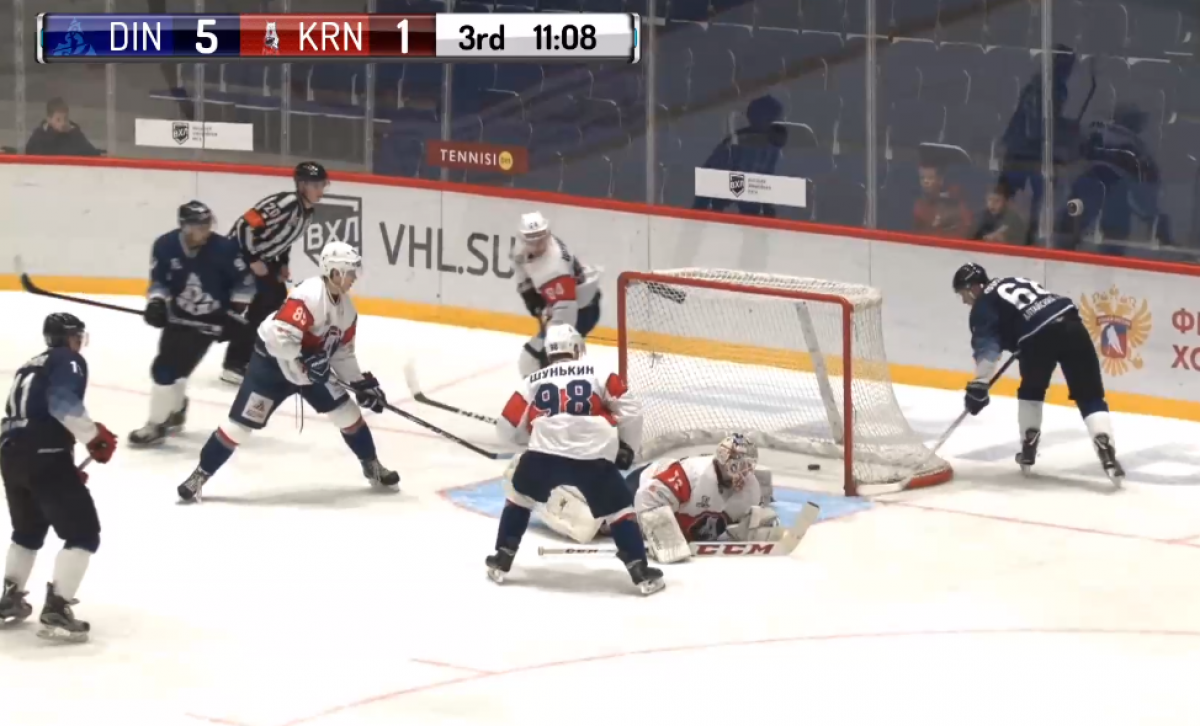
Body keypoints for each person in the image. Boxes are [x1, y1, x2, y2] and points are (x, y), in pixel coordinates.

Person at [176, 242, 399, 503]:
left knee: (348, 413)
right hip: (271, 367)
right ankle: (200, 475)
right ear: (334, 272)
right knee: (239, 428)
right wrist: (307, 357)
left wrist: (360, 383)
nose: (353, 278)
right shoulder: (308, 296)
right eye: (350, 272)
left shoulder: (347, 311)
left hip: (309, 373)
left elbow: (342, 353)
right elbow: (279, 338)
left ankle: (371, 466)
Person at [489, 324, 663, 595]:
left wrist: (530, 442)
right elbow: (631, 411)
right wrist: (627, 447)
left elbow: (505, 427)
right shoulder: (600, 372)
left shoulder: (532, 381)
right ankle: (639, 570)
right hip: (593, 458)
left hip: (543, 457)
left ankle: (502, 556)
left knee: (519, 498)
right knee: (619, 511)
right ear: (576, 347)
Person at [0, 313, 118, 642]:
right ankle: (57, 608)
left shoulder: (30, 364)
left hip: (11, 454)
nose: (80, 342)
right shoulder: (68, 359)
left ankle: (9, 597)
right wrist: (93, 437)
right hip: (45, 453)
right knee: (83, 533)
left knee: (28, 530)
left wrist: (60, 464)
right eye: (77, 336)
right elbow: (61, 403)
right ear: (68, 337)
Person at [952, 263, 1124, 485]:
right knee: (1089, 394)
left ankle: (1029, 444)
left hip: (1037, 339)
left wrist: (980, 383)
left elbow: (987, 347)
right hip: (1072, 325)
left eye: (963, 293)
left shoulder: (982, 306)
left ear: (974, 287)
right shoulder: (1012, 280)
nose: (964, 300)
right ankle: (1105, 447)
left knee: (1031, 390)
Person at [130, 201, 256, 446]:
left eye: (207, 224)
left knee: (167, 369)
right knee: (171, 369)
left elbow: (245, 283)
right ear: (185, 227)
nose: (205, 230)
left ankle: (157, 423)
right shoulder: (165, 245)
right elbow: (159, 281)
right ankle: (174, 411)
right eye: (199, 226)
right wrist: (156, 302)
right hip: (177, 316)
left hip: (208, 321)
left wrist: (234, 313)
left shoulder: (225, 248)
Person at [221, 161, 328, 385]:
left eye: (322, 185)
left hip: (261, 260)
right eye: (316, 185)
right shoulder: (286, 203)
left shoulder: (307, 212)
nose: (321, 190)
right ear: (302, 185)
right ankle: (234, 363)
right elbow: (245, 225)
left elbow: (283, 239)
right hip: (240, 256)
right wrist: (252, 259)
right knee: (261, 308)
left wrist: (282, 264)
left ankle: (251, 357)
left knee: (275, 305)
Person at [623, 435, 781, 562]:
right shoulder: (693, 474)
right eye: (736, 466)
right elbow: (648, 496)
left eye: (748, 466)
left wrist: (753, 525)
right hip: (643, 482)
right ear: (722, 461)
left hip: (680, 513)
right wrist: (666, 540)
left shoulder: (751, 487)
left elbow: (732, 524)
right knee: (613, 518)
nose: (744, 473)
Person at [512, 212, 602, 377]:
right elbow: (519, 263)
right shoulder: (524, 247)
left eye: (540, 239)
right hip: (568, 303)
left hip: (581, 312)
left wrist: (551, 344)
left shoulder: (556, 269)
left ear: (546, 234)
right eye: (531, 240)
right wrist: (527, 292)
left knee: (531, 362)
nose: (537, 245)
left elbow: (566, 317)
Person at [24, 98, 102, 157]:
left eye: (65, 118)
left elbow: (90, 153)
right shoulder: (39, 135)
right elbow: (30, 153)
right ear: (49, 120)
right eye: (58, 120)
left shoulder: (75, 135)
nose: (63, 123)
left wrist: (73, 134)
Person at [913, 164, 972, 238]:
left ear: (940, 180)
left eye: (930, 178)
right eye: (922, 178)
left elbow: (965, 232)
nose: (925, 181)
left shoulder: (957, 205)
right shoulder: (919, 205)